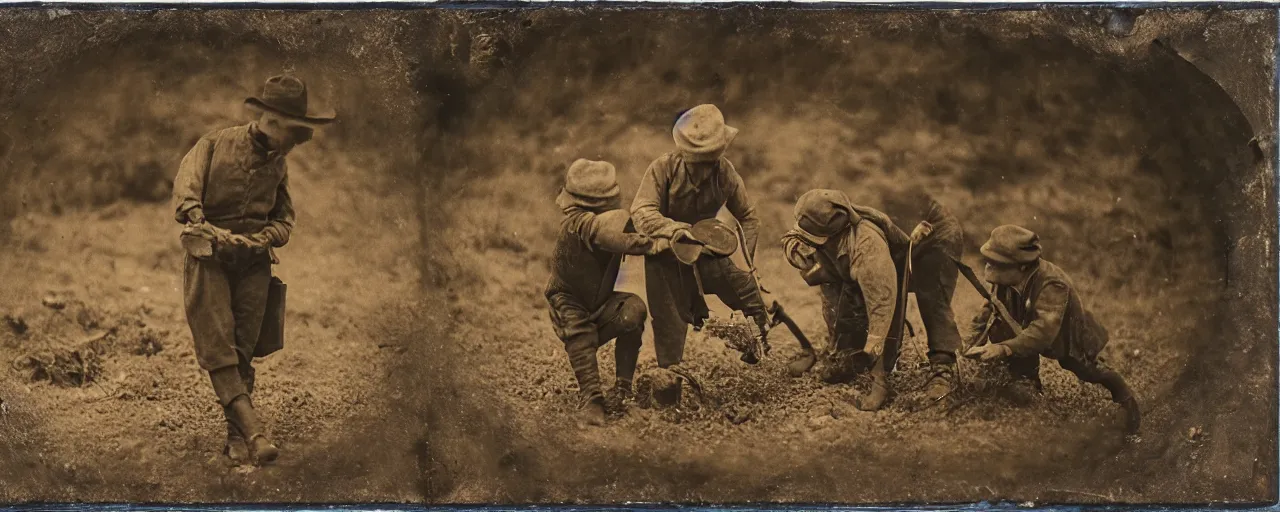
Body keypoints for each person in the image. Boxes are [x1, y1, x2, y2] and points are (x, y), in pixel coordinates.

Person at [171, 75, 334, 465]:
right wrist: (200, 219)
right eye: (294, 133)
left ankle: (234, 437)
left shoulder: (279, 165)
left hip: (253, 264)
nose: (296, 143)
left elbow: (285, 220)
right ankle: (254, 433)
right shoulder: (212, 144)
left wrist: (265, 238)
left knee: (243, 348)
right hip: (209, 257)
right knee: (219, 347)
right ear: (272, 121)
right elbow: (185, 194)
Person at [630, 104, 770, 388]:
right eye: (698, 162)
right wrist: (675, 229)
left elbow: (749, 217)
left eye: (711, 160)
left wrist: (745, 260)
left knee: (747, 293)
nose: (706, 171)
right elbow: (641, 212)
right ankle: (669, 382)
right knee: (669, 320)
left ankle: (760, 345)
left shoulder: (725, 173)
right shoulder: (662, 169)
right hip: (666, 254)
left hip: (707, 251)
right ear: (683, 155)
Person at [963, 225, 1141, 435]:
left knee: (1084, 368)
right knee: (1004, 329)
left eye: (997, 263)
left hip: (1064, 334)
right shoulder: (1004, 281)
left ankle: (1123, 394)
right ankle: (1026, 378)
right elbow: (990, 309)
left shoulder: (1052, 284)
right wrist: (969, 342)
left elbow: (1043, 332)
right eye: (989, 261)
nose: (989, 267)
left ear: (1021, 266)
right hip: (1024, 326)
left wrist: (1002, 349)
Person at [545, 159, 658, 427]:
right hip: (567, 302)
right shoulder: (578, 223)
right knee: (581, 337)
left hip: (599, 302)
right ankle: (591, 398)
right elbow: (613, 239)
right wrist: (646, 243)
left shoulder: (608, 221)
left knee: (634, 309)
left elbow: (635, 229)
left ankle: (623, 387)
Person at [780, 189, 913, 411]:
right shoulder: (814, 222)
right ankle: (842, 355)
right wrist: (797, 254)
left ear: (835, 231)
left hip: (879, 280)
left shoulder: (868, 245)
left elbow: (881, 306)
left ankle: (880, 379)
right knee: (836, 315)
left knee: (880, 328)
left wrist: (876, 353)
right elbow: (792, 238)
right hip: (841, 272)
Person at [878, 186, 965, 400]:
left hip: (937, 230)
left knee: (932, 294)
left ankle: (943, 366)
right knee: (885, 287)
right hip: (901, 224)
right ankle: (880, 359)